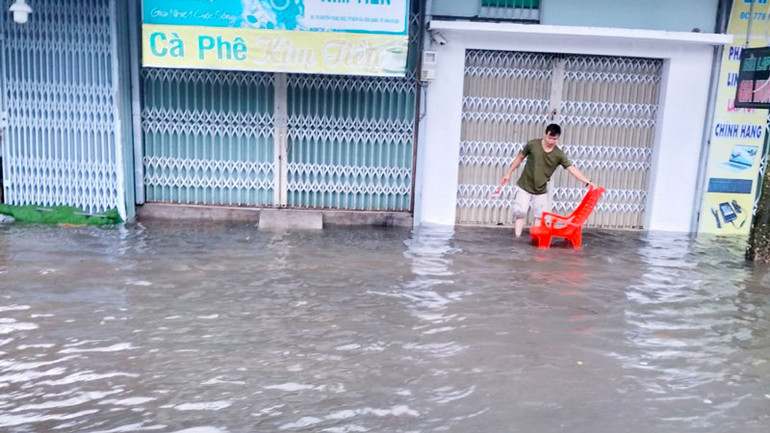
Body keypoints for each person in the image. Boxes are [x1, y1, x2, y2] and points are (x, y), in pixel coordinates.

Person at [500, 123, 594, 237]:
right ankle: (517, 238)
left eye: (554, 139)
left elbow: (571, 169)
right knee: (520, 213)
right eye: (549, 137)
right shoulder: (533, 145)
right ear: (545, 134)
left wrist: (587, 181)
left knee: (539, 216)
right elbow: (520, 157)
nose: (551, 141)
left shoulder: (559, 154)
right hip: (525, 186)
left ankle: (535, 240)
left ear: (558, 138)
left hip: (541, 190)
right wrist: (508, 173)